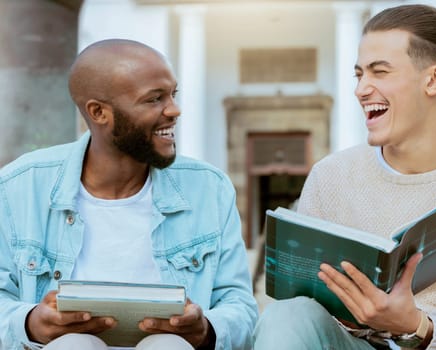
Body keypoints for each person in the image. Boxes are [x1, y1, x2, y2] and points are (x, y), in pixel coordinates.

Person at [253, 4, 436, 350]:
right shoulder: (331, 176)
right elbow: (304, 303)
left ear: (434, 79)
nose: (361, 89)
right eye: (359, 75)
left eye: (379, 72)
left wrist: (417, 326)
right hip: (358, 344)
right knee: (286, 317)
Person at [0, 39, 258, 350]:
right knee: (75, 346)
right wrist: (30, 323)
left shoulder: (209, 188)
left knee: (168, 346)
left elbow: (240, 306)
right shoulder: (18, 187)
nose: (174, 110)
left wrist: (207, 330)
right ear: (99, 112)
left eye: (172, 95)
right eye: (154, 99)